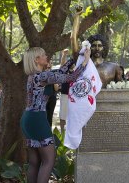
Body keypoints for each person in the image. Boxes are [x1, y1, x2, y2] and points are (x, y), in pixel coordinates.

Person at [20, 47, 90, 183]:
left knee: (35, 162)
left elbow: (59, 73)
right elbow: (71, 77)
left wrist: (72, 59)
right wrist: (85, 61)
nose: (47, 56)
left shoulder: (35, 76)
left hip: (27, 119)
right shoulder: (43, 76)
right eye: (44, 55)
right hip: (37, 120)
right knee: (49, 160)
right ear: (37, 60)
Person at [45, 61, 59, 127]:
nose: (49, 64)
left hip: (52, 97)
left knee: (50, 116)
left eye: (50, 62)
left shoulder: (53, 73)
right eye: (48, 62)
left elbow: (56, 88)